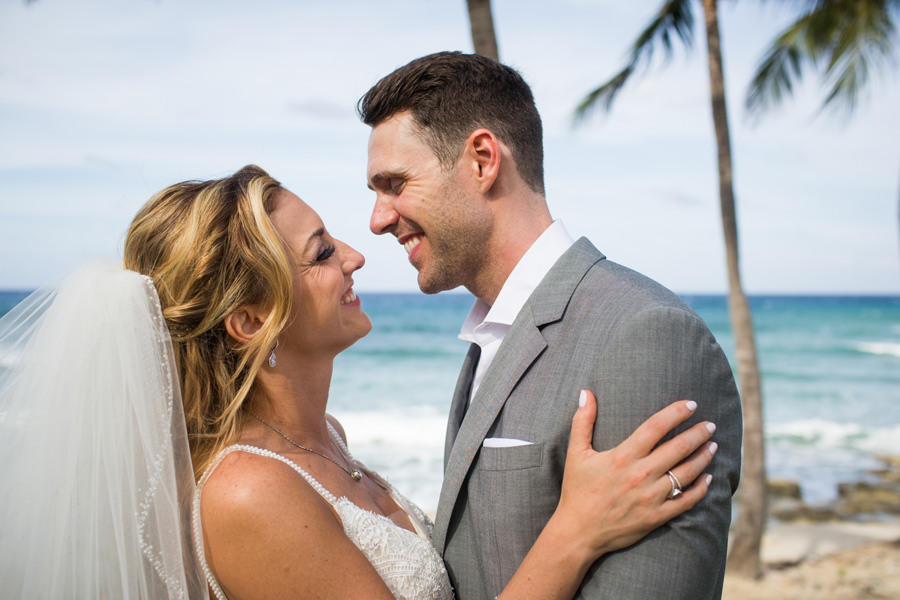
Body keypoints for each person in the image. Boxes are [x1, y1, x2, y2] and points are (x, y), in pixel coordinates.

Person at [0, 166, 718, 599]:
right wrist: (577, 530)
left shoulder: (327, 439)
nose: (355, 255)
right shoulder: (249, 492)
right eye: (320, 253)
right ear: (250, 320)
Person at [359, 51, 743, 599]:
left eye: (395, 184)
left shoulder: (646, 336)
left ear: (483, 160)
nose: (377, 220)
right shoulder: (491, 336)